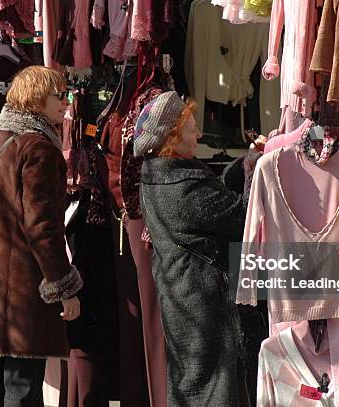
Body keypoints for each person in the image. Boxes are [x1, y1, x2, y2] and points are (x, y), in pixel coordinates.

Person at [0, 66, 83, 407]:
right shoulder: (38, 149)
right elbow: (42, 225)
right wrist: (63, 286)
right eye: (60, 96)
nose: (67, 103)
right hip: (21, 293)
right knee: (21, 391)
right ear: (36, 99)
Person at [134, 91, 265, 406]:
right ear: (173, 136)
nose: (199, 134)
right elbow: (243, 218)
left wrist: (242, 166)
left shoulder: (158, 177)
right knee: (214, 390)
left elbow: (214, 197)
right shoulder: (185, 190)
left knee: (193, 387)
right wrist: (255, 172)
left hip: (184, 301)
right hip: (206, 310)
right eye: (192, 128)